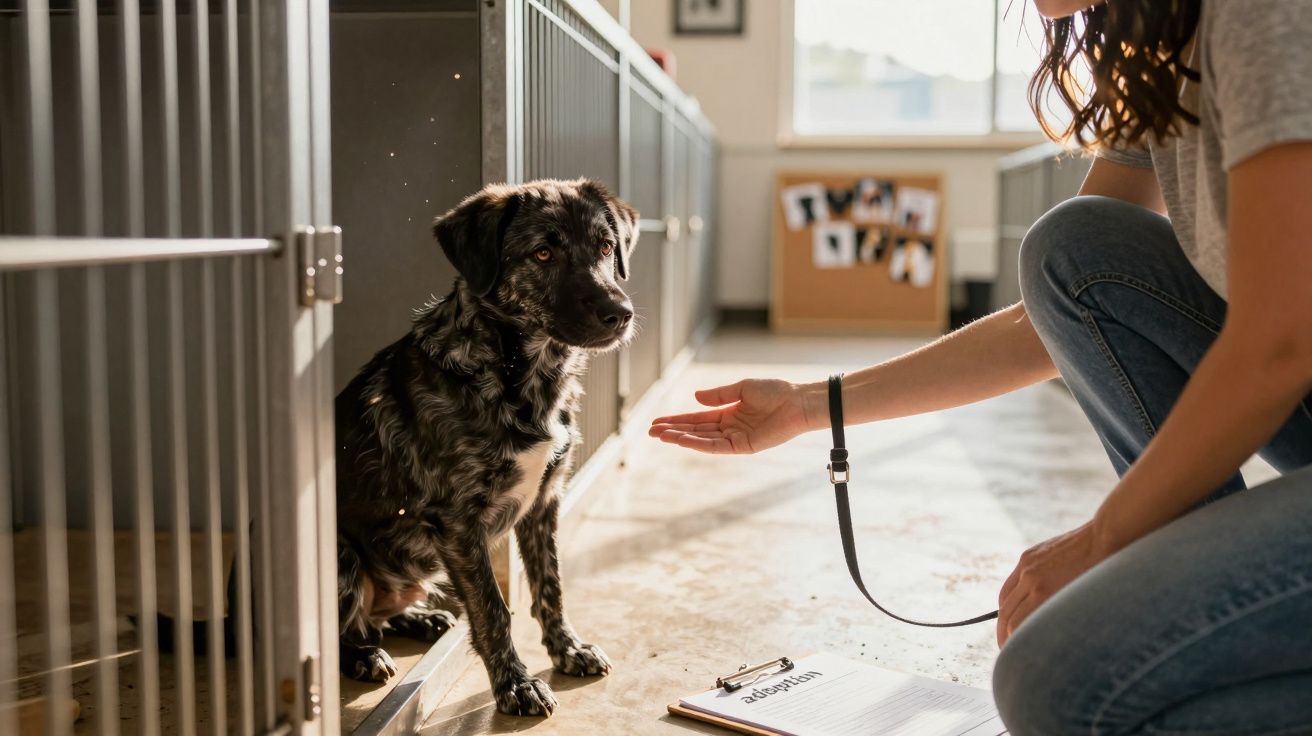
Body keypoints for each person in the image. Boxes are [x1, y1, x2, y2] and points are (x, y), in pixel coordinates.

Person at [649, 0, 1312, 732]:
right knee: (1069, 248)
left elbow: (1281, 342)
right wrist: (812, 405)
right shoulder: (1165, 49)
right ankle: (1215, 600)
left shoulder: (1260, 13)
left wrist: (1106, 537)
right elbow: (1050, 314)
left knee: (1054, 684)